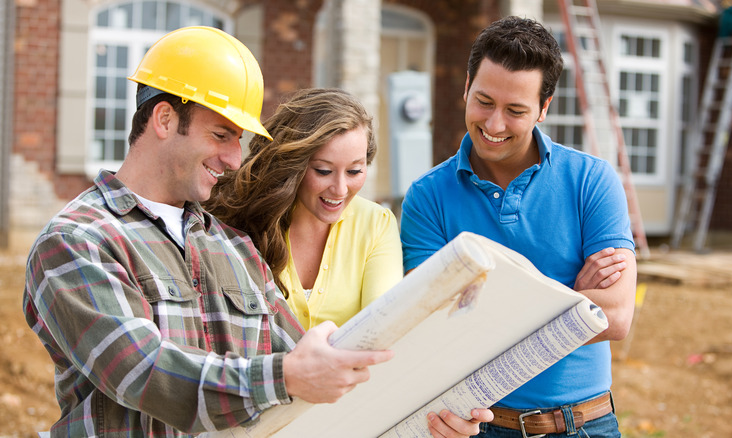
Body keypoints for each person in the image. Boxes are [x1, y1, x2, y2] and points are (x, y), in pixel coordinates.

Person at [23, 26, 489, 437]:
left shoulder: (231, 246)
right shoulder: (78, 241)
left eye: (237, 141)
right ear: (165, 119)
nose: (233, 158)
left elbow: (319, 369)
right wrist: (284, 376)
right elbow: (143, 373)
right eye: (221, 135)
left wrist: (429, 415)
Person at [400, 16, 638, 438]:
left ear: (544, 108)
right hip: (477, 427)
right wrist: (570, 299)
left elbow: (615, 317)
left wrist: (484, 309)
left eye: (515, 111)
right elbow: (432, 325)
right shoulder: (426, 197)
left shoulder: (592, 181)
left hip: (584, 425)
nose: (493, 125)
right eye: (484, 101)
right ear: (467, 85)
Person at [206, 88, 402, 331]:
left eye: (354, 171)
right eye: (323, 171)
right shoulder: (239, 221)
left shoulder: (377, 223)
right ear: (292, 165)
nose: (340, 189)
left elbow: (383, 326)